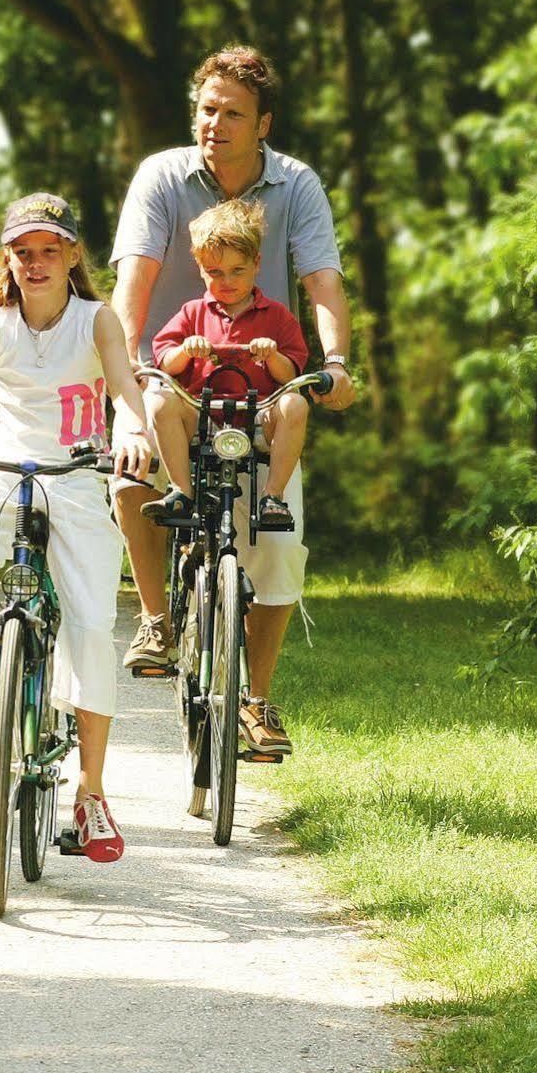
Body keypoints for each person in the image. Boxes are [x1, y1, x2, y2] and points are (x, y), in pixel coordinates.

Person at [109, 46, 355, 758]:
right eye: (205, 109)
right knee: (130, 480)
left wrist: (333, 363)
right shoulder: (161, 176)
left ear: (263, 123)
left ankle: (256, 701)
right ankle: (156, 618)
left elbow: (323, 284)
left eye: (231, 113)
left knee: (275, 551)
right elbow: (134, 280)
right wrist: (129, 380)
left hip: (258, 390)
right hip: (171, 376)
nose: (213, 123)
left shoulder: (296, 185)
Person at [0, 193, 153, 863]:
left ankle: (91, 792)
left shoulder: (96, 321)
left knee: (92, 629)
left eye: (49, 250)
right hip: (6, 469)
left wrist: (131, 434)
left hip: (74, 480)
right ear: (6, 259)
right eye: (22, 252)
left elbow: (125, 388)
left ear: (71, 254)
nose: (35, 264)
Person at [140, 201, 311, 534]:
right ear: (201, 269)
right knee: (160, 400)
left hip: (258, 416)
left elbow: (291, 375)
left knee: (296, 403)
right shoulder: (192, 312)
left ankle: (272, 497)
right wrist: (187, 351)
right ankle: (181, 492)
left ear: (256, 263)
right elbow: (165, 362)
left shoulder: (276, 316)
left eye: (237, 270)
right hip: (200, 415)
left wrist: (272, 355)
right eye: (215, 272)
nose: (226, 281)